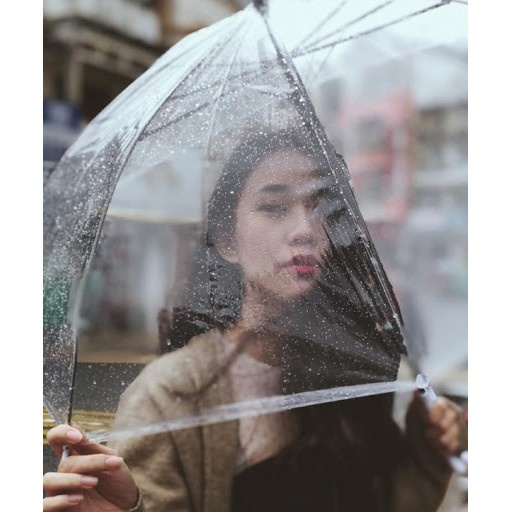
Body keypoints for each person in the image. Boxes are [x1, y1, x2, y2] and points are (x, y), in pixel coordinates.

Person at [43, 129, 468, 512]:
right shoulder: (170, 394)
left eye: (321, 208)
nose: (305, 229)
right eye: (274, 207)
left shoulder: (363, 371)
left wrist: (429, 453)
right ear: (228, 240)